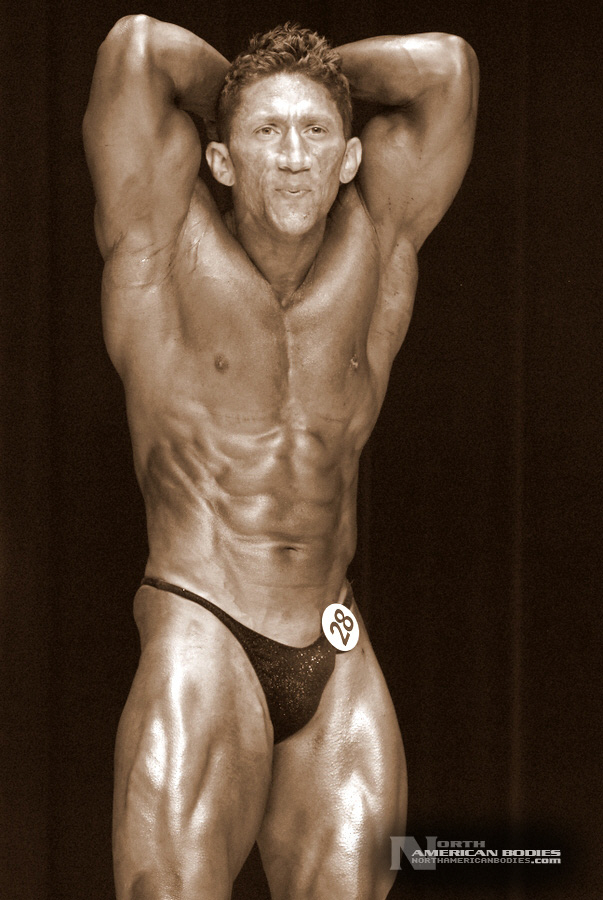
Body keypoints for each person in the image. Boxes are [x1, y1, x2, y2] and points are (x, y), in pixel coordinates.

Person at [83, 15, 478, 899]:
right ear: (220, 159)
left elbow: (448, 71)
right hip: (204, 624)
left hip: (334, 646)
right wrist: (242, 88)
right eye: (266, 133)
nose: (293, 156)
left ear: (349, 157)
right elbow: (137, 48)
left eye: (315, 133)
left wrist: (307, 77)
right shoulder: (163, 242)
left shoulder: (377, 243)